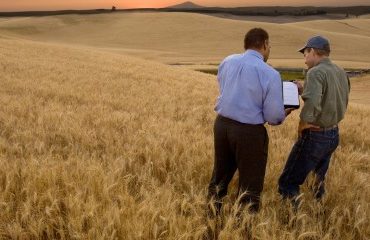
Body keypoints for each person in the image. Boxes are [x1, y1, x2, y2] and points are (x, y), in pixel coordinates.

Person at [207, 28, 293, 215]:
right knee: (250, 187)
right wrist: (284, 113)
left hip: (221, 125)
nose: (269, 49)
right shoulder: (270, 74)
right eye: (269, 46)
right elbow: (273, 117)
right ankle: (242, 229)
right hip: (249, 133)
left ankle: (211, 220)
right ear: (263, 44)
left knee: (219, 178)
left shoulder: (227, 61)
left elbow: (223, 87)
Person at [278, 36, 350, 207]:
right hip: (333, 134)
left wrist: (302, 124)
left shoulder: (315, 72)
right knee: (316, 181)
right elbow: (334, 97)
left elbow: (312, 105)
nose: (304, 59)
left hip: (315, 136)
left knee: (288, 182)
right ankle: (319, 215)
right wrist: (305, 89)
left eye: (305, 54)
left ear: (312, 51)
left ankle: (294, 224)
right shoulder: (340, 71)